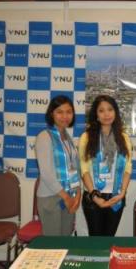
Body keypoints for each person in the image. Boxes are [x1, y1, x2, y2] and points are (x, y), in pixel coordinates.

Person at [79, 95, 132, 236]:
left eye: (110, 109)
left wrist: (122, 193)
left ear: (115, 112)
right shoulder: (87, 137)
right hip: (93, 196)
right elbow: (84, 170)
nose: (106, 114)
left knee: (109, 238)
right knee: (95, 239)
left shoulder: (124, 138)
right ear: (96, 115)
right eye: (101, 110)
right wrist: (95, 196)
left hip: (116, 196)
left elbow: (128, 168)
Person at [35, 95, 81, 236]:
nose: (65, 116)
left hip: (69, 195)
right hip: (51, 197)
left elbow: (75, 169)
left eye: (69, 112)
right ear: (51, 114)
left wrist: (78, 193)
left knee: (65, 241)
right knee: (53, 246)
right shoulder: (44, 137)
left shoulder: (68, 138)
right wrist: (66, 198)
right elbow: (47, 174)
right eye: (59, 112)